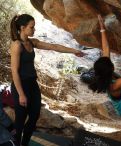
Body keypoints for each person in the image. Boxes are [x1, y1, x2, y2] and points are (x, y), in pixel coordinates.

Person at [10, 14, 85, 146]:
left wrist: (73, 51)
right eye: (32, 27)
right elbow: (14, 71)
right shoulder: (17, 45)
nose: (34, 30)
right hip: (20, 86)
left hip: (32, 85)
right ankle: (16, 143)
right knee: (20, 120)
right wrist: (21, 94)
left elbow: (53, 46)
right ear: (22, 28)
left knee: (34, 116)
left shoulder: (32, 42)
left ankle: (24, 143)